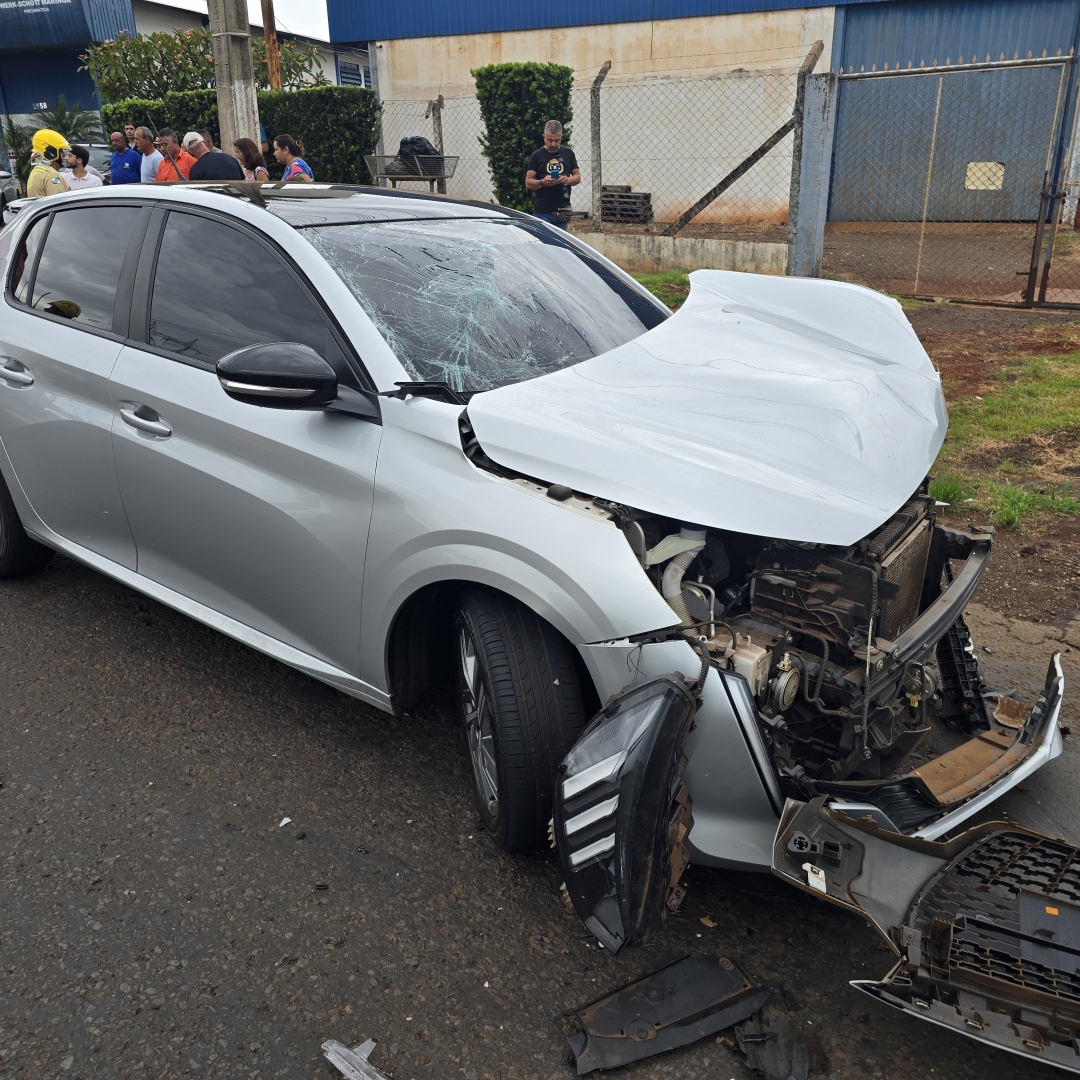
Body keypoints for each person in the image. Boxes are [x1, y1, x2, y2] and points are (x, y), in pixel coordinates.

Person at [525, 120, 580, 230]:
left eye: (557, 140)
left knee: (560, 246)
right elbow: (528, 182)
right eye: (549, 140)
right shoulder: (537, 156)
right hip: (543, 212)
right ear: (544, 137)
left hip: (562, 213)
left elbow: (577, 177)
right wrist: (542, 183)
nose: (553, 144)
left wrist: (568, 180)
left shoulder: (569, 153)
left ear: (561, 137)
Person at [26, 129, 71, 198]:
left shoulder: (37, 170)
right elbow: (59, 202)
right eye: (61, 152)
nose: (64, 156)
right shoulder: (51, 174)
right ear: (52, 152)